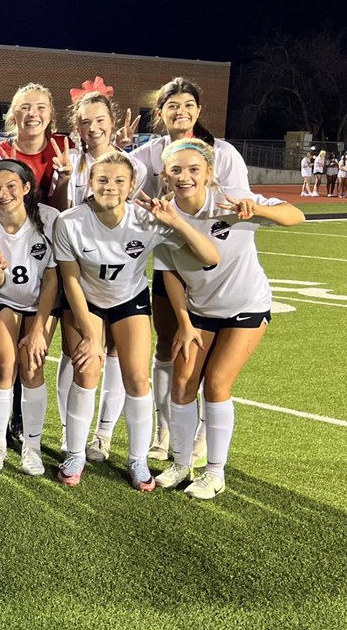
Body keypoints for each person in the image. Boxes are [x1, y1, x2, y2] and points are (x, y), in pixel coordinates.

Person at [53, 150, 219, 491]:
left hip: (129, 300)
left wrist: (174, 221)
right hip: (85, 304)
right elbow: (70, 280)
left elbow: (209, 257)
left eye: (118, 181)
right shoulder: (69, 221)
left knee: (137, 379)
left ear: (132, 185)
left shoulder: (146, 220)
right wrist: (89, 334)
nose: (109, 186)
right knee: (86, 371)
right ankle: (75, 452)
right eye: (102, 179)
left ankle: (138, 458)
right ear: (90, 183)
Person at [152, 138, 304, 498]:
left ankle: (215, 472)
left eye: (193, 169)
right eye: (176, 170)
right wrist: (184, 323)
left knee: (217, 383)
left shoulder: (231, 198)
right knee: (183, 382)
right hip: (201, 310)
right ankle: (180, 463)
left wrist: (259, 210)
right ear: (165, 176)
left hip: (245, 305)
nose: (185, 176)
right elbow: (169, 274)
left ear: (208, 173)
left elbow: (295, 216)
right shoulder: (162, 215)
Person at [125, 77, 251, 461]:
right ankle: (165, 431)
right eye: (172, 106)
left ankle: (200, 434)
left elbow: (240, 204)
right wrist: (120, 147)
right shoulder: (151, 152)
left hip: (217, 269)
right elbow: (119, 178)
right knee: (169, 346)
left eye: (187, 105)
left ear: (197, 110)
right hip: (172, 262)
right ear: (160, 113)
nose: (180, 112)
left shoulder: (223, 152)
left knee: (209, 364)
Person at [58, 87, 148, 464]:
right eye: (85, 121)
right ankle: (70, 436)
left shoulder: (132, 166)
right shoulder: (70, 160)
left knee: (117, 357)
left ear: (112, 123)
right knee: (77, 355)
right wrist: (64, 178)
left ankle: (105, 434)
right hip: (78, 269)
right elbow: (62, 207)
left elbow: (132, 214)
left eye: (100, 120)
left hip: (121, 280)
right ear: (76, 125)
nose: (92, 127)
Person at [0, 159, 59, 476]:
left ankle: (31, 449)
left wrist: (38, 329)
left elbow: (52, 279)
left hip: (41, 305)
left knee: (33, 366)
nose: (2, 193)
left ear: (26, 188)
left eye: (10, 186)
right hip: (4, 302)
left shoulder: (50, 219)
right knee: (6, 364)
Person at [0, 83, 72, 204]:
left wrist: (63, 179)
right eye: (25, 107)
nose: (32, 113)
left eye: (41, 107)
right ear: (13, 117)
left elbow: (63, 212)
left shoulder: (66, 148)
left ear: (51, 116)